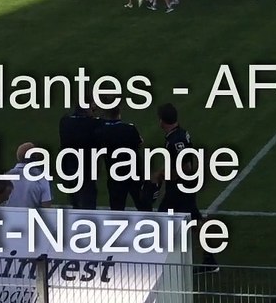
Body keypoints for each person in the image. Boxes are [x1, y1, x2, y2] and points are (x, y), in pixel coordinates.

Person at [153, 103, 219, 273]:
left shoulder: (175, 141)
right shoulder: (179, 134)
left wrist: (163, 175)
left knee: (162, 219)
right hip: (184, 186)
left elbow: (185, 167)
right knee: (195, 221)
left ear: (162, 121)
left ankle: (160, 263)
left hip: (180, 188)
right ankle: (209, 259)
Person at [93, 104, 150, 211]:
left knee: (117, 208)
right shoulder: (130, 128)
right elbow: (140, 143)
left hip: (115, 175)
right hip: (134, 173)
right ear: (119, 114)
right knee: (143, 205)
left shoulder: (102, 131)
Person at [59, 106, 99, 209]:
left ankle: (76, 207)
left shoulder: (65, 121)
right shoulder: (92, 124)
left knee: (74, 195)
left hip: (69, 163)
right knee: (88, 195)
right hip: (86, 165)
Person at [5, 143, 52, 209]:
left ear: (18, 157)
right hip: (31, 215)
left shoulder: (5, 177)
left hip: (9, 215)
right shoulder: (42, 179)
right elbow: (46, 205)